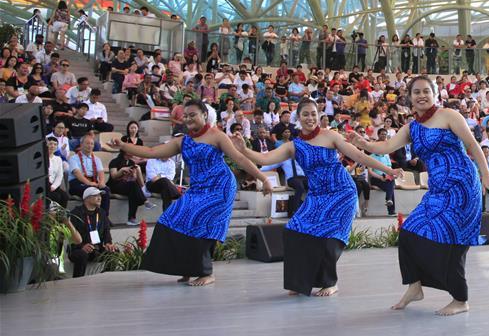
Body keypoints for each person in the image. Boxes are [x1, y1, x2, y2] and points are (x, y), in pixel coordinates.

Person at [346, 76, 489, 316]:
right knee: (408, 232)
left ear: (435, 93)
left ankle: (461, 299)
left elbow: (472, 145)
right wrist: (362, 142)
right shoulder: (411, 128)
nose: (421, 96)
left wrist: (486, 177)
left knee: (453, 241)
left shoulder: (449, 116)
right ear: (409, 97)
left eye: (426, 91)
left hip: (462, 185)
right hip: (438, 189)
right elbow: (385, 148)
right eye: (416, 92)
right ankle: (415, 286)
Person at [238, 99, 399, 296]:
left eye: (313, 114)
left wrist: (389, 170)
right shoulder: (293, 146)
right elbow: (265, 158)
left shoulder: (330, 136)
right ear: (298, 118)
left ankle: (329, 283)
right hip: (317, 195)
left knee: (330, 238)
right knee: (294, 230)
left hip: (341, 191)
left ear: (319, 115)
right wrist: (244, 149)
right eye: (305, 114)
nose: (310, 118)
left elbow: (360, 157)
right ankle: (300, 281)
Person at [109, 99, 271, 286]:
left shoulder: (217, 136)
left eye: (192, 114)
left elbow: (240, 158)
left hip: (220, 187)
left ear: (204, 115)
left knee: (199, 221)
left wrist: (263, 178)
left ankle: (206, 272)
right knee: (170, 218)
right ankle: (186, 268)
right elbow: (151, 151)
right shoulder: (182, 141)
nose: (188, 119)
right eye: (185, 116)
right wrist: (123, 146)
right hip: (198, 189)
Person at [68, 187, 115, 278]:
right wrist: (81, 246)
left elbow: (106, 230)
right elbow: (71, 235)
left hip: (97, 248)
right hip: (79, 249)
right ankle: (78, 281)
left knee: (114, 252)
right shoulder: (76, 213)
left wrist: (108, 243)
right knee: (82, 255)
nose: (99, 198)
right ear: (87, 198)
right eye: (96, 196)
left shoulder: (101, 212)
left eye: (100, 195)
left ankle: (106, 277)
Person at [45, 137, 69, 207]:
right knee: (56, 197)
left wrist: (54, 186)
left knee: (65, 196)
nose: (52, 146)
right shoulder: (43, 158)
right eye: (50, 144)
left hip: (54, 185)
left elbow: (60, 175)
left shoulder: (58, 159)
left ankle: (62, 216)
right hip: (45, 185)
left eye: (55, 144)